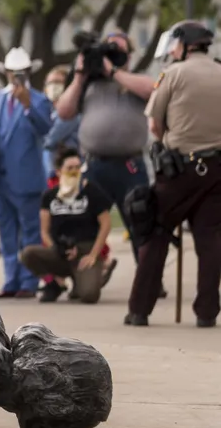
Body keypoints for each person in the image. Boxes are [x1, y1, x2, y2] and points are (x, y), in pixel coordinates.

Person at [126, 21, 221, 328]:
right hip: (217, 170)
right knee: (211, 240)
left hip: (178, 170)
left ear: (184, 44)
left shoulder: (174, 74)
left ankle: (140, 310)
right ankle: (207, 313)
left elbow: (154, 125)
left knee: (156, 230)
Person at [54, 32, 153, 266]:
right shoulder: (87, 84)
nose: (111, 55)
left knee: (141, 222)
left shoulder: (136, 81)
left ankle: (149, 280)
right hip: (94, 165)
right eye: (108, 50)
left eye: (118, 50)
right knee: (84, 222)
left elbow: (153, 90)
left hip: (130, 166)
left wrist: (115, 72)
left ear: (129, 55)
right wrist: (79, 75)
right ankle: (86, 275)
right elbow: (63, 111)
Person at [0, 47, 54, 299]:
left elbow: (47, 131)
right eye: (12, 72)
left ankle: (29, 282)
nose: (16, 76)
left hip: (27, 179)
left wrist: (28, 105)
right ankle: (11, 281)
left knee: (30, 232)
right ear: (6, 72)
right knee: (6, 233)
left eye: (21, 72)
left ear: (28, 72)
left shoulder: (39, 99)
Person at [21, 149, 112, 304]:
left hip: (86, 249)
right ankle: (54, 283)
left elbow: (106, 223)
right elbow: (44, 231)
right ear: (58, 172)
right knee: (28, 254)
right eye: (69, 168)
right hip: (62, 250)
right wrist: (58, 249)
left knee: (89, 296)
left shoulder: (90, 191)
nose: (74, 171)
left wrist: (93, 254)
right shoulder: (49, 196)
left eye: (77, 167)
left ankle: (92, 276)